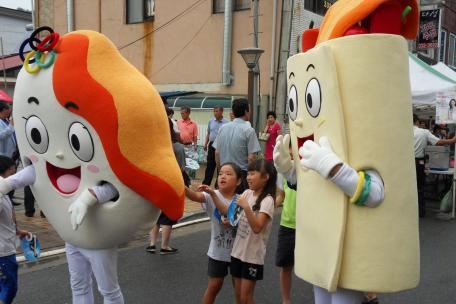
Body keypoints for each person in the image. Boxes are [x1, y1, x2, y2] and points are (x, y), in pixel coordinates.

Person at [200, 159, 277, 304]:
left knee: (246, 298)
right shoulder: (247, 193)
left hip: (252, 256)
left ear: (265, 177)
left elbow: (257, 228)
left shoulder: (267, 201)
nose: (248, 177)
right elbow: (231, 216)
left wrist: (247, 208)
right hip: (237, 253)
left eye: (252, 174)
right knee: (239, 296)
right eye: (248, 173)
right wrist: (214, 196)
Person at [185, 162, 241, 304]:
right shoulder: (211, 194)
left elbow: (229, 215)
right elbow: (194, 196)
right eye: (221, 173)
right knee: (214, 286)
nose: (223, 176)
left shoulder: (241, 199)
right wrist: (180, 185)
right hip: (217, 252)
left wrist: (211, 193)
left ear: (239, 181)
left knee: (240, 289)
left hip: (238, 253)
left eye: (229, 174)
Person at [147, 115, 188, 255]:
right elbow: (181, 168)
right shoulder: (177, 147)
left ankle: (152, 244)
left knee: (156, 215)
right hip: (172, 184)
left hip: (155, 183)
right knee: (168, 216)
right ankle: (164, 246)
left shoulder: (153, 146)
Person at [213, 98, 261, 193]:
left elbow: (217, 153)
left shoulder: (223, 128)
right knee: (239, 205)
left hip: (223, 173)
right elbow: (251, 158)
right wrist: (251, 176)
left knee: (223, 203)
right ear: (246, 111)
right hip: (240, 175)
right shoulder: (249, 130)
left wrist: (220, 171)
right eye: (249, 110)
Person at [413, 114, 456, 217]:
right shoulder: (423, 132)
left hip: (406, 162)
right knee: (419, 187)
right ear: (417, 122)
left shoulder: (402, 132)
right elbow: (438, 142)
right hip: (418, 162)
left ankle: (410, 210)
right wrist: (453, 140)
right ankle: (420, 212)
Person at [0, 155, 29, 304]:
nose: (15, 173)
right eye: (13, 169)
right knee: (9, 288)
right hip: (3, 253)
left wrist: (17, 231)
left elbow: (6, 218)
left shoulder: (4, 192)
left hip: (5, 247)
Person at [274, 142, 296, 304]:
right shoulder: (283, 170)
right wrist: (269, 204)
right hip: (288, 223)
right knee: (286, 264)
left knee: (318, 263)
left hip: (311, 224)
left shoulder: (310, 168)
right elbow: (281, 195)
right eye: (290, 150)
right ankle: (286, 300)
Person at [202, 106, 229, 186]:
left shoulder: (226, 122)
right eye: (214, 111)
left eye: (217, 111)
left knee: (220, 165)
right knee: (210, 165)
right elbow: (208, 133)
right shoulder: (211, 121)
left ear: (221, 112)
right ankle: (206, 184)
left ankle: (218, 185)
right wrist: (205, 143)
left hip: (221, 145)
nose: (215, 113)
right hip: (211, 144)